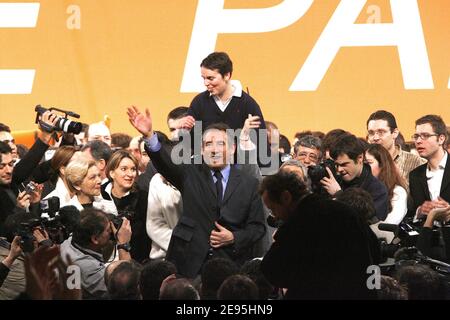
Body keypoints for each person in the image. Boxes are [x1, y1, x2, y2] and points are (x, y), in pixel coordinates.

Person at [127, 106, 266, 278]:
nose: (214, 149)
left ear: (232, 149)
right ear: (201, 150)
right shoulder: (189, 172)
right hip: (187, 264)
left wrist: (234, 237)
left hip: (231, 265)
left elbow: (257, 227)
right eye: (208, 144)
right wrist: (149, 136)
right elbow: (165, 163)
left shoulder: (250, 183)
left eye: (220, 143)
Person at [260, 171, 375, 299]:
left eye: (274, 209)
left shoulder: (299, 223)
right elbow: (374, 250)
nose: (275, 216)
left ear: (286, 197)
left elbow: (272, 269)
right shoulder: (346, 212)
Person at [60, 208, 132, 299]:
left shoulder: (73, 239)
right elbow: (127, 284)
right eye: (107, 230)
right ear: (95, 239)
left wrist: (113, 239)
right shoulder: (88, 268)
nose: (111, 231)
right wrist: (123, 244)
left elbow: (99, 256)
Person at [321, 133, 389, 220]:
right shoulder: (334, 181)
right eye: (337, 165)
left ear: (360, 158)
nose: (339, 169)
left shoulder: (377, 190)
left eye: (344, 164)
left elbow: (368, 225)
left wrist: (338, 195)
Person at [101, 150, 151, 263]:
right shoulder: (99, 194)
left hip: (135, 262)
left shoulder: (143, 198)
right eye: (124, 169)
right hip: (103, 262)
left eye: (133, 169)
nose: (130, 174)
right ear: (112, 173)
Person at [367, 110, 426, 188]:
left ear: (395, 133)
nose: (375, 138)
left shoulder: (417, 163)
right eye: (371, 133)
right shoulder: (363, 164)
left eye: (381, 132)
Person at [409, 115, 450, 220]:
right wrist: (421, 210)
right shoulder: (415, 175)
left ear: (441, 139)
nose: (418, 141)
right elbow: (414, 211)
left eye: (425, 136)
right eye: (416, 136)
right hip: (428, 233)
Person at [365, 144, 408, 224]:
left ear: (382, 165)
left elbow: (389, 225)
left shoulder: (397, 192)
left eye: (369, 163)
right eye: (362, 164)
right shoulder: (361, 187)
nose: (364, 167)